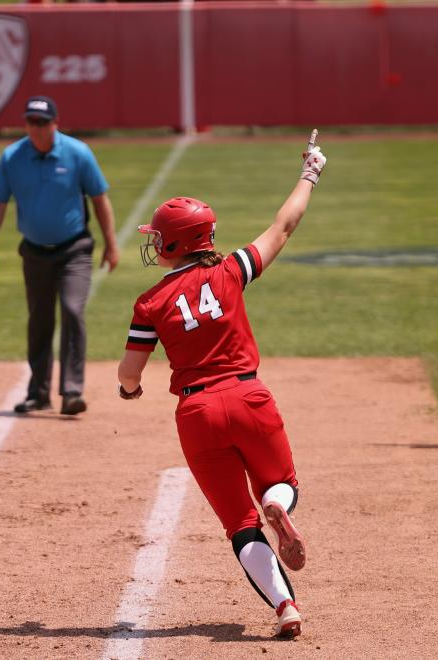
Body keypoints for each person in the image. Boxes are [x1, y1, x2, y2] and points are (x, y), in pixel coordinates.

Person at [117, 133, 327, 638]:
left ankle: (285, 608)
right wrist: (310, 172)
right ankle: (277, 502)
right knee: (283, 484)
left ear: (173, 243)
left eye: (159, 236)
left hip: (197, 413)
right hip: (249, 396)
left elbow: (129, 372)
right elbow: (285, 224)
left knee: (239, 522)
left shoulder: (151, 302)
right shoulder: (232, 270)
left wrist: (129, 391)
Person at [0, 96, 119, 415]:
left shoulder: (78, 153)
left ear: (56, 123)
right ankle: (38, 393)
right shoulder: (12, 157)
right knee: (39, 319)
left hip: (75, 249)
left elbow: (99, 198)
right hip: (34, 252)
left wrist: (111, 243)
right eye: (31, 122)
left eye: (42, 122)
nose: (36, 128)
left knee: (72, 309)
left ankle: (71, 392)